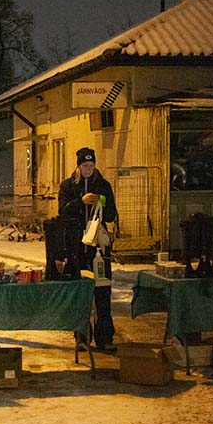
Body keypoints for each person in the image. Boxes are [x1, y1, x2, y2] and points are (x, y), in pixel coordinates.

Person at [57, 146, 118, 353]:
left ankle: (105, 337)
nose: (88, 169)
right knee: (80, 292)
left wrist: (101, 201)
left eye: (91, 165)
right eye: (85, 165)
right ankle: (82, 336)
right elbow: (62, 212)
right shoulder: (68, 186)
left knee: (102, 290)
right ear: (78, 165)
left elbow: (111, 215)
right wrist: (79, 202)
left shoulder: (103, 185)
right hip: (76, 246)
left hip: (99, 248)